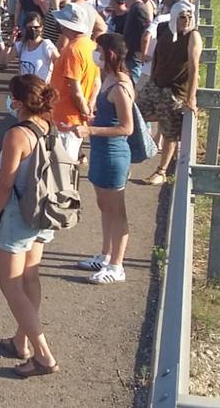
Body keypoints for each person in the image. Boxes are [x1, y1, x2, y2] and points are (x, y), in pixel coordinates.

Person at [0, 73, 61, 377]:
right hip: (43, 211)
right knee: (31, 277)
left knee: (10, 284)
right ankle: (20, 340)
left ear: (17, 101)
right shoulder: (48, 126)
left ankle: (43, 356)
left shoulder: (17, 135)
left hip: (17, 215)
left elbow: (5, 185)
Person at [78, 33, 135, 284]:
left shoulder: (121, 86)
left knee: (117, 209)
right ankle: (105, 254)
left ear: (110, 53)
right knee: (104, 205)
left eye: (99, 49)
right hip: (101, 152)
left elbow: (126, 127)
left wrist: (92, 130)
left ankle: (116, 265)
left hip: (114, 154)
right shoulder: (109, 78)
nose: (95, 53)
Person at [138, 0, 202, 185]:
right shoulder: (165, 28)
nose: (187, 20)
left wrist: (191, 98)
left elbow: (194, 67)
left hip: (176, 91)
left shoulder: (193, 36)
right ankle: (138, 151)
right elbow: (157, 53)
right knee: (136, 114)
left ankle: (161, 171)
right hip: (156, 84)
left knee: (169, 132)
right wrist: (152, 79)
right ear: (175, 17)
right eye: (183, 17)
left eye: (190, 16)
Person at [49, 4, 98, 160]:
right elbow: (97, 81)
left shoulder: (72, 50)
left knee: (62, 164)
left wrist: (85, 111)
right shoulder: (91, 45)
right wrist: (89, 107)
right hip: (77, 116)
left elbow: (75, 90)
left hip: (66, 118)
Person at [14, 13, 59, 82]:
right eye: (29, 27)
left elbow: (59, 62)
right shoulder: (22, 45)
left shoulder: (46, 45)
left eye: (36, 27)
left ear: (41, 28)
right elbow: (3, 61)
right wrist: (10, 42)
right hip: (24, 88)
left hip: (41, 88)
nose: (33, 30)